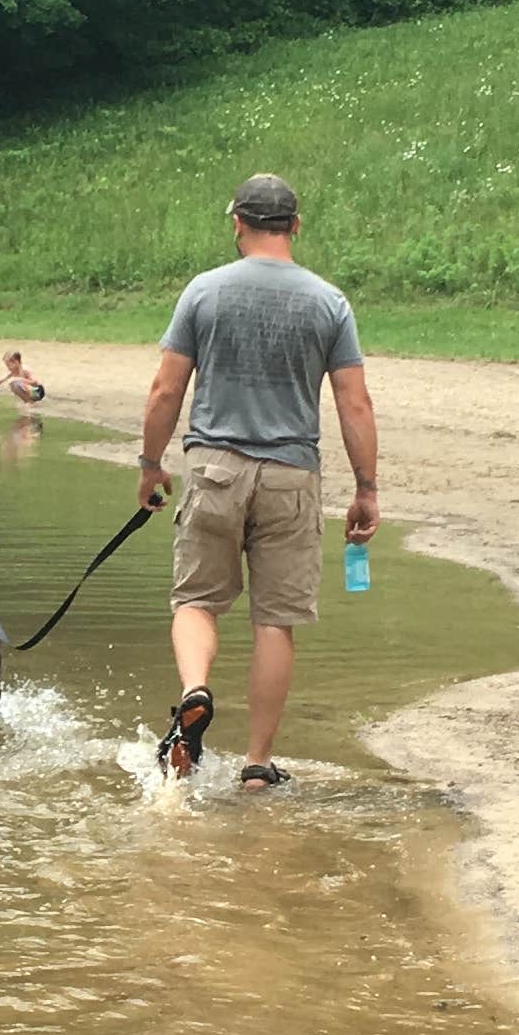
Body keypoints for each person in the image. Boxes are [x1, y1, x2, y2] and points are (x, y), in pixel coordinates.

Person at [134, 173, 378, 788]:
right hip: (291, 476)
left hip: (214, 467)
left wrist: (150, 464)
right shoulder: (329, 302)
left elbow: (166, 389)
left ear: (237, 223)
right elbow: (354, 403)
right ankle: (256, 764)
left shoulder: (204, 291)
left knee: (196, 601)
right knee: (274, 620)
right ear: (295, 225)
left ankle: (195, 691)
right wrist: (366, 488)